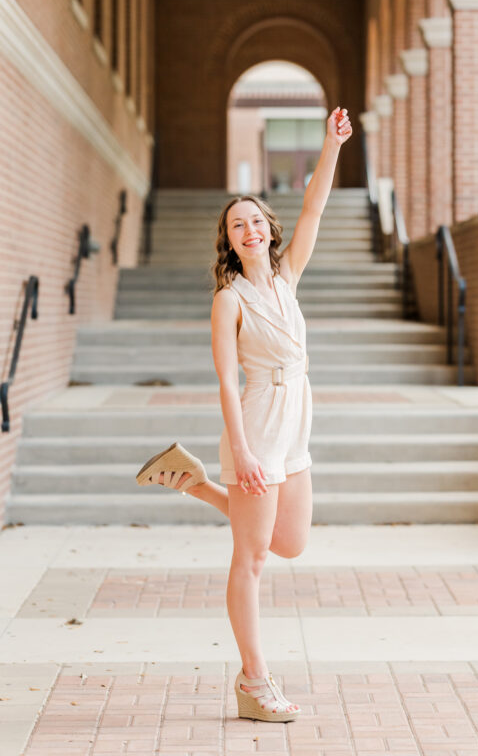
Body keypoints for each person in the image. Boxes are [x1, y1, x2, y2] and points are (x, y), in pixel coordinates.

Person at [135, 106, 353, 722]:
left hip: (295, 423)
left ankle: (196, 481)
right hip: (256, 423)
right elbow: (227, 384)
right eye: (238, 224)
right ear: (228, 240)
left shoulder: (287, 277)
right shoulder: (228, 300)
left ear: (269, 229)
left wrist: (330, 145)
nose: (249, 229)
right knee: (250, 558)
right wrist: (246, 451)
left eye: (256, 220)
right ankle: (254, 682)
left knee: (289, 542)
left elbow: (314, 207)